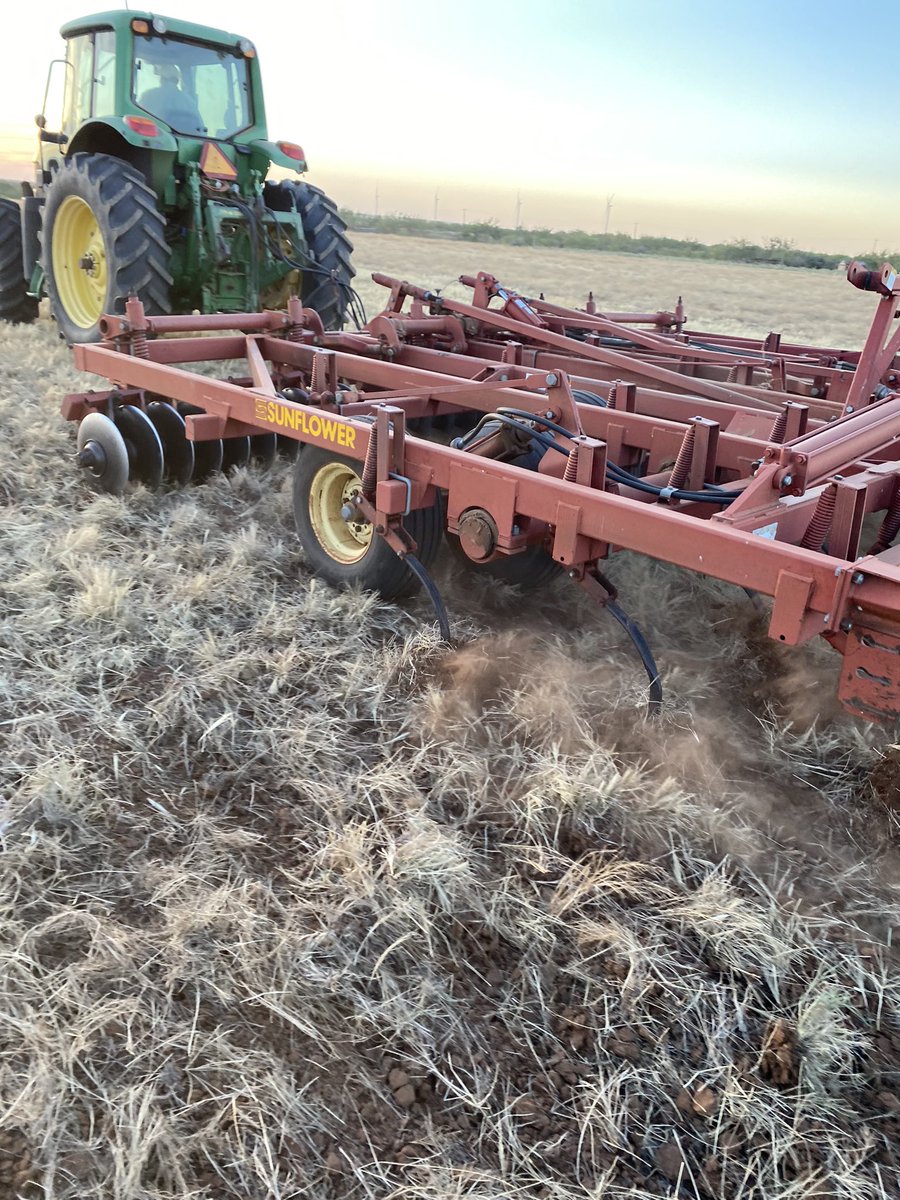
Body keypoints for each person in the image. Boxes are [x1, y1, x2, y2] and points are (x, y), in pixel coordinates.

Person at [140, 63, 204, 133]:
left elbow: (138, 118)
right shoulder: (189, 101)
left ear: (162, 79)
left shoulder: (148, 96)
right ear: (177, 80)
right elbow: (201, 129)